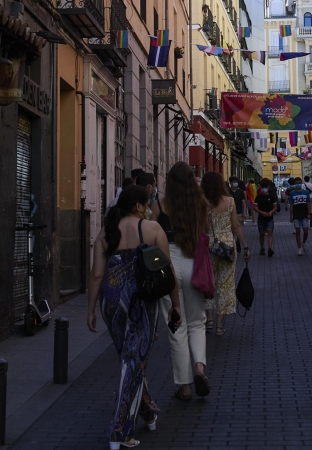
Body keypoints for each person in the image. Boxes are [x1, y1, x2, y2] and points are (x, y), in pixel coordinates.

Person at [87, 185, 182, 449]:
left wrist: (91, 309)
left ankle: (147, 411)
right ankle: (119, 430)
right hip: (142, 300)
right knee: (134, 362)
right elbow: (168, 268)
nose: (151, 205)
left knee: (129, 360)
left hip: (112, 301)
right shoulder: (152, 230)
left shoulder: (106, 233)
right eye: (148, 201)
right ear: (139, 206)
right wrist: (175, 304)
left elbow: (96, 274)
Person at [157, 162, 212, 401]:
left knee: (176, 325)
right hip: (193, 264)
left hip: (168, 264)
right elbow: (203, 235)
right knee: (197, 322)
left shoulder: (160, 205)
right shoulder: (200, 204)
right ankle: (199, 367)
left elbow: (150, 235)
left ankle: (184, 385)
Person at [201, 172, 251, 336]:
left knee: (208, 283)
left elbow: (201, 227)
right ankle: (220, 325)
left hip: (208, 245)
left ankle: (209, 320)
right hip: (227, 246)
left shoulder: (202, 203)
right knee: (225, 284)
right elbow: (236, 226)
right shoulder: (229, 202)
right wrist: (245, 246)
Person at [252, 178, 278, 256]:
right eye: (263, 187)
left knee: (270, 232)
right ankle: (262, 247)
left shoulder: (272, 197)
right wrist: (261, 212)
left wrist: (271, 212)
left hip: (270, 218)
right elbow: (254, 207)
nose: (264, 189)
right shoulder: (258, 197)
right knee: (262, 234)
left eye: (265, 187)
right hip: (261, 218)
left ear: (268, 188)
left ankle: (270, 248)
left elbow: (275, 206)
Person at [288, 177, 312, 256]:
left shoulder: (305, 192)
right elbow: (291, 205)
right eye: (297, 183)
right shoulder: (292, 193)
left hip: (304, 213)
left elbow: (308, 203)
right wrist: (291, 216)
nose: (298, 184)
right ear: (295, 184)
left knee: (306, 231)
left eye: (299, 182)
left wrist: (309, 213)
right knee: (297, 231)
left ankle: (303, 242)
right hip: (296, 213)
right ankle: (299, 248)